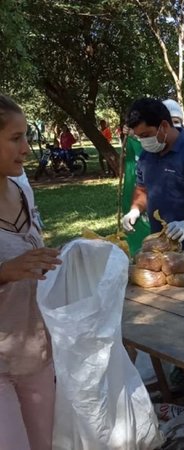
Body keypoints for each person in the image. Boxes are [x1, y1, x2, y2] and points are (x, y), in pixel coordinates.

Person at [0, 94, 62, 450]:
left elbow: (33, 253)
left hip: (36, 351)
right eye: (15, 138)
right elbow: (11, 267)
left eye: (27, 137)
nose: (26, 148)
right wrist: (5, 271)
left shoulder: (22, 191)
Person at [122, 97, 184, 268]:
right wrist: (135, 210)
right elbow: (142, 189)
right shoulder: (146, 156)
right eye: (139, 137)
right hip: (160, 244)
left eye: (146, 135)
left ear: (164, 126)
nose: (143, 142)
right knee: (164, 293)